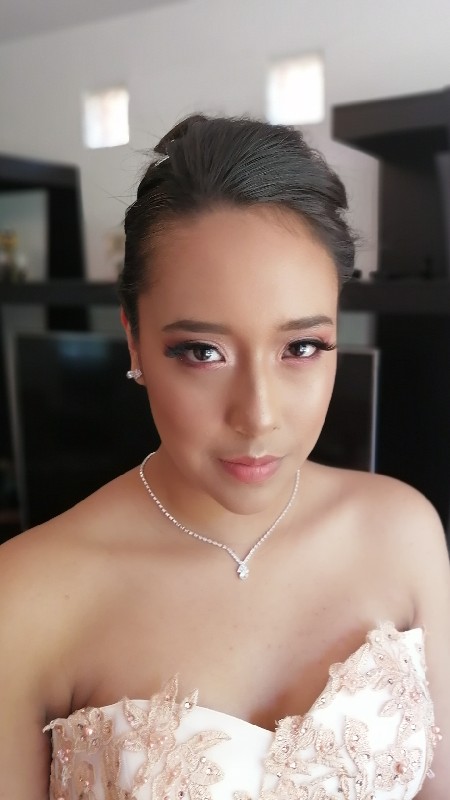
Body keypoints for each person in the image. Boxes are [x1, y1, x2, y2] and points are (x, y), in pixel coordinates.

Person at [0, 114, 448, 800]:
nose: (258, 415)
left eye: (302, 347)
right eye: (202, 351)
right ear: (134, 338)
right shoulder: (25, 595)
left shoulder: (404, 532)